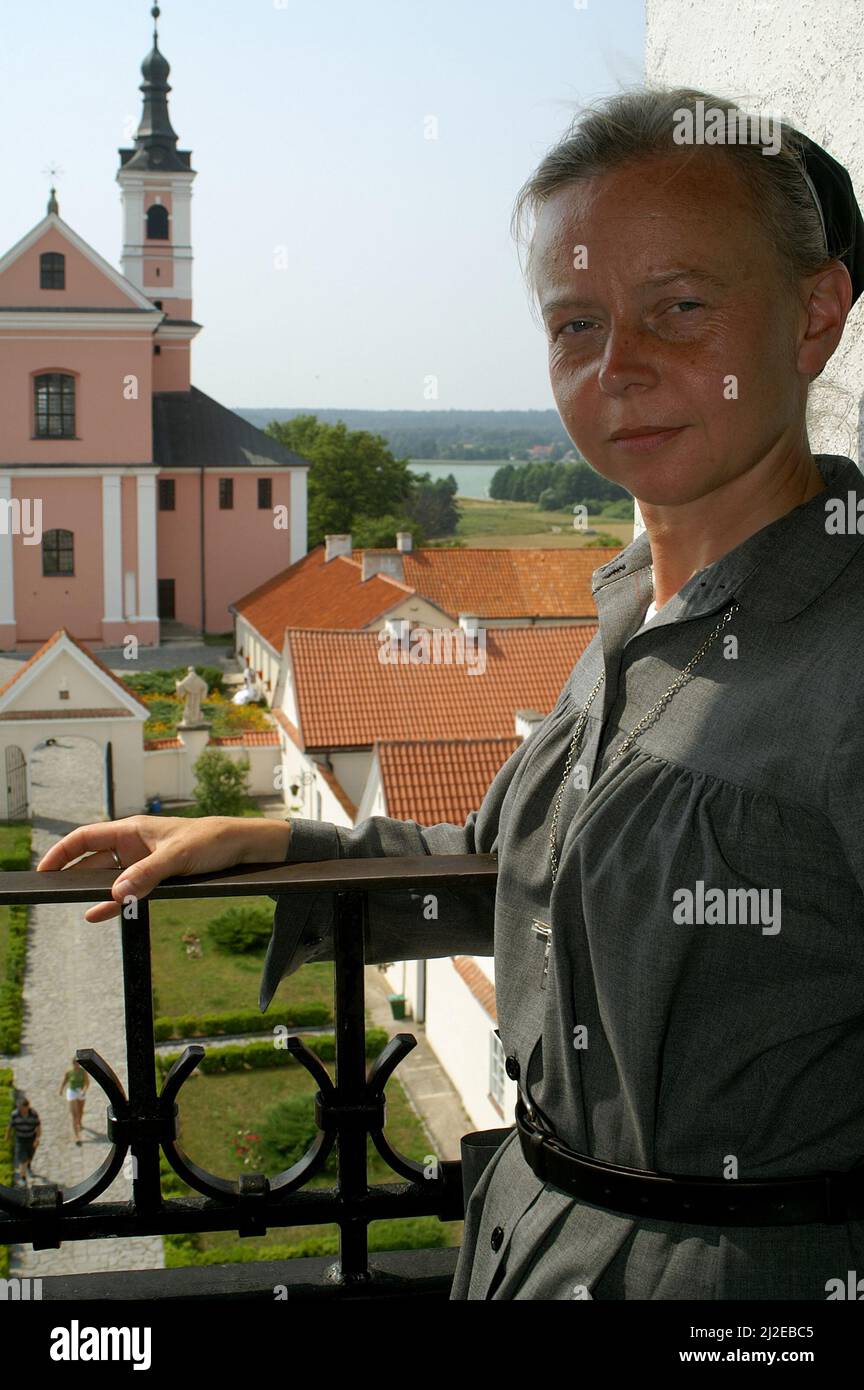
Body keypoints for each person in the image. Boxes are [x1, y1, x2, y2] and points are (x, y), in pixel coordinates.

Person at [35, 84, 864, 1300]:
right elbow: (528, 870)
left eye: (679, 307)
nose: (618, 366)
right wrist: (272, 837)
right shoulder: (631, 614)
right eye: (576, 324)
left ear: (813, 315)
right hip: (528, 1246)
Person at [6, 1094, 41, 1188]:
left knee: (30, 1156)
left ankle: (29, 1166)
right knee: (22, 1160)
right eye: (20, 1108)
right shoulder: (15, 1115)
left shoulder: (33, 1114)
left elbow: (38, 1126)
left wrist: (37, 1139)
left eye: (23, 1108)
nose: (21, 1110)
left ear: (27, 1106)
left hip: (31, 1138)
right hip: (20, 1139)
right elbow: (10, 1126)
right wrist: (8, 1136)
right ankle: (23, 1178)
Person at [59, 1056, 89, 1145]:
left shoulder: (83, 1072)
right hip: (72, 1092)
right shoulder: (69, 1072)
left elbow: (87, 1083)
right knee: (74, 1115)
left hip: (80, 1091)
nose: (76, 1065)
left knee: (80, 1111)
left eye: (78, 1063)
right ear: (72, 1064)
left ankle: (80, 1122)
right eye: (75, 1063)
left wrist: (84, 1090)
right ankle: (77, 1136)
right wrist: (61, 1089)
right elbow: (65, 1081)